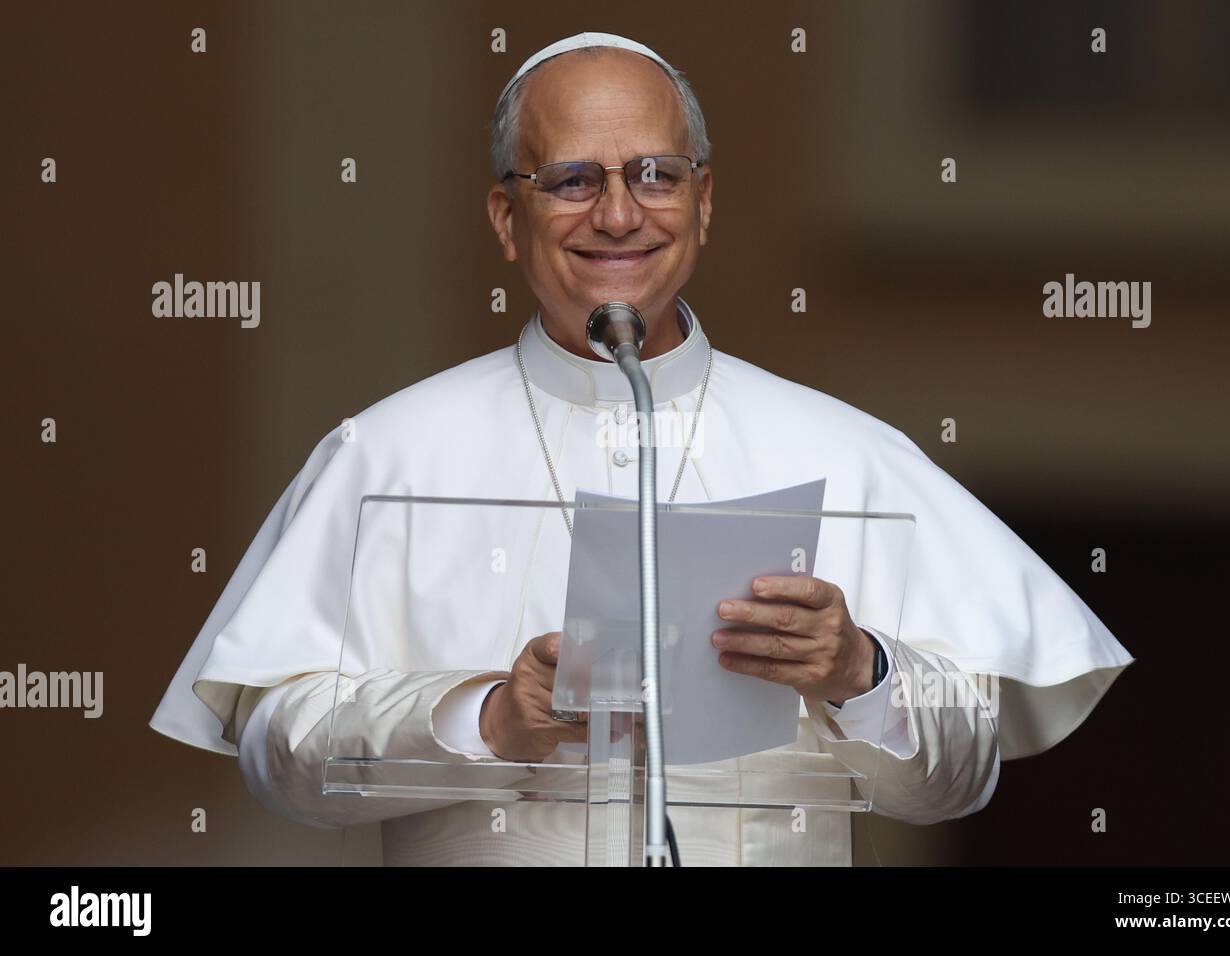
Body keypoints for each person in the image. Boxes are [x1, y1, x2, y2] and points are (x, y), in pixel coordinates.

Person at [150, 32, 1134, 866]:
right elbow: (279, 754)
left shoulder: (853, 450)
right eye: (572, 178)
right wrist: (486, 715)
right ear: (507, 217)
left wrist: (858, 670)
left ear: (702, 202)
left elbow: (956, 780)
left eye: (654, 175)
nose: (618, 214)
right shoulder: (387, 451)